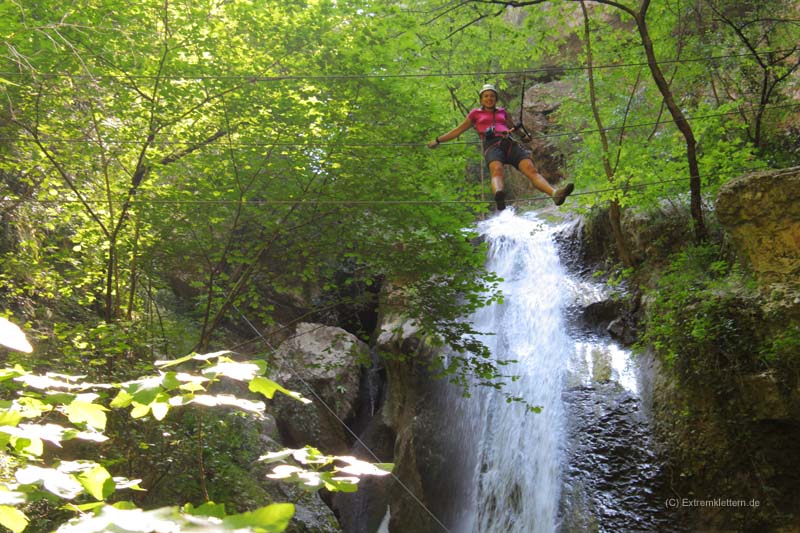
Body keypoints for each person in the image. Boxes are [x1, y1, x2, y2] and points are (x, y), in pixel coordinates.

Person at [428, 84, 574, 211]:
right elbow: (458, 130)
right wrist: (438, 140)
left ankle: (555, 194)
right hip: (492, 145)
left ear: (495, 98)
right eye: (486, 96)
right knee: (497, 170)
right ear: (481, 99)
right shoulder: (475, 114)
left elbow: (514, 128)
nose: (489, 98)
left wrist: (524, 136)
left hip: (509, 143)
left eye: (492, 96)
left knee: (531, 170)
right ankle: (499, 195)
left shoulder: (502, 112)